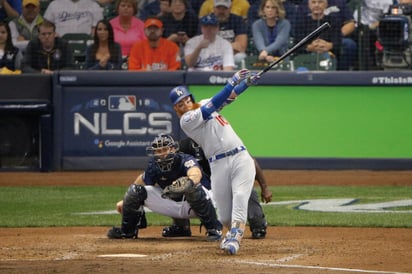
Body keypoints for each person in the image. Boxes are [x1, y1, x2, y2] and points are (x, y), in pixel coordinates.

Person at [169, 68, 260, 255]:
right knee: (225, 215)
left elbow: (227, 98)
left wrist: (245, 85)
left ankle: (235, 237)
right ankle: (231, 230)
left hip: (240, 157)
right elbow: (213, 105)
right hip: (218, 164)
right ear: (176, 109)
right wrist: (232, 81)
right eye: (180, 103)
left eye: (187, 99)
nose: (185, 104)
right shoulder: (186, 121)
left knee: (241, 195)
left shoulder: (202, 104)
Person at [107, 134, 223, 242]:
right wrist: (127, 201)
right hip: (175, 205)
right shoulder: (153, 165)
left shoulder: (185, 159)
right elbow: (141, 180)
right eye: (158, 151)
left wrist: (188, 182)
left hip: (201, 202)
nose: (161, 154)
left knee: (191, 187)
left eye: (164, 149)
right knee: (135, 190)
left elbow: (196, 174)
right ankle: (127, 232)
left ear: (173, 149)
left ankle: (213, 229)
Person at [177, 137, 272, 239]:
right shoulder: (185, 145)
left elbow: (250, 161)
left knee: (246, 189)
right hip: (204, 185)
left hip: (227, 180)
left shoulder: (224, 142)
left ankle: (258, 226)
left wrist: (265, 188)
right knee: (178, 186)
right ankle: (181, 227)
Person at [297, 0, 357, 70]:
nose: (317, 5)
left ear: (326, 5)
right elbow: (297, 40)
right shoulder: (302, 20)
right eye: (313, 2)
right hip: (309, 49)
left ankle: (341, 75)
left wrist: (329, 44)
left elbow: (350, 24)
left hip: (331, 42)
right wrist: (310, 46)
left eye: (320, 2)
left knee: (347, 44)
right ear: (309, 5)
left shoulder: (333, 19)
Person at [352, 0, 392, 70]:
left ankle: (369, 67)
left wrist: (374, 25)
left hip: (375, 27)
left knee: (368, 37)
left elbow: (387, 19)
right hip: (358, 23)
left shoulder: (388, 2)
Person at [213, 0, 248, 68]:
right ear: (214, 8)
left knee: (241, 56)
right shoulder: (206, 21)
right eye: (218, 8)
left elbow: (241, 47)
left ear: (230, 9)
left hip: (232, 56)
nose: (221, 11)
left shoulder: (238, 20)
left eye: (224, 8)